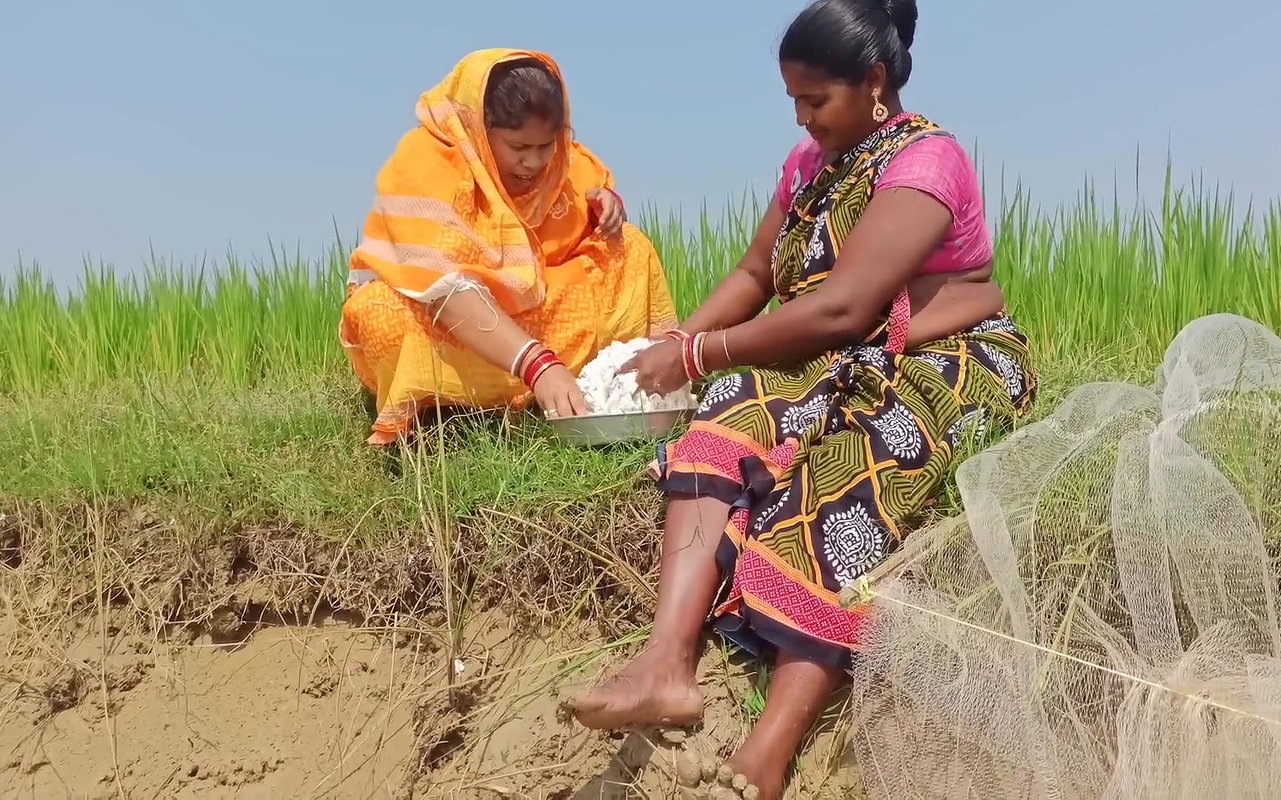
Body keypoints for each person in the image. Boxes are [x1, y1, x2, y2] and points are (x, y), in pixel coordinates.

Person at [565, 1, 1037, 797]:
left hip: (941, 360)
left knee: (848, 483)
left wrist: (693, 351)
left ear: (875, 82)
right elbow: (757, 276)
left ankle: (768, 753)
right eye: (793, 101)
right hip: (828, 358)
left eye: (816, 100)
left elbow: (845, 307)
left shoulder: (925, 162)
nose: (803, 118)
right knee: (729, 411)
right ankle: (665, 662)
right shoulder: (808, 166)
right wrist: (677, 354)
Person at [340, 49, 678, 444]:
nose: (534, 163)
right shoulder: (425, 164)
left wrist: (607, 206)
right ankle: (450, 401)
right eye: (519, 149)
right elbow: (446, 290)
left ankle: (644, 384)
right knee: (382, 311)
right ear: (478, 130)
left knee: (630, 249)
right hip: (450, 323)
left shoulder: (562, 163)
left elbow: (584, 202)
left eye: (545, 146)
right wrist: (537, 364)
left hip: (531, 317)